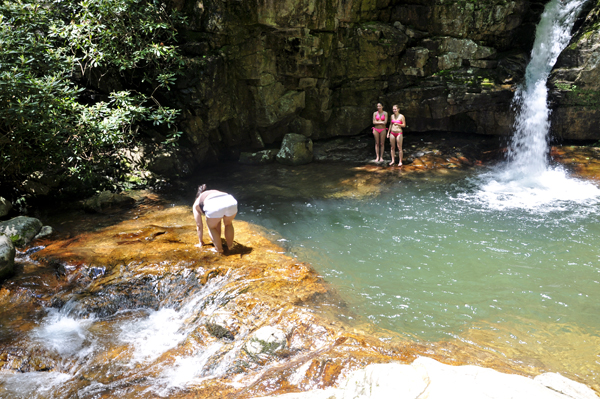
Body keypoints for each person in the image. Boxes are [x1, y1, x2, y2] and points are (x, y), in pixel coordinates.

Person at [193, 184, 238, 253]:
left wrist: (200, 241)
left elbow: (199, 225)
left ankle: (219, 249)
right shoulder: (213, 192)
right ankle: (230, 246)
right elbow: (218, 219)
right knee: (228, 224)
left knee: (212, 227)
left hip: (214, 205)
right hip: (230, 201)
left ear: (197, 196)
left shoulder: (196, 203)